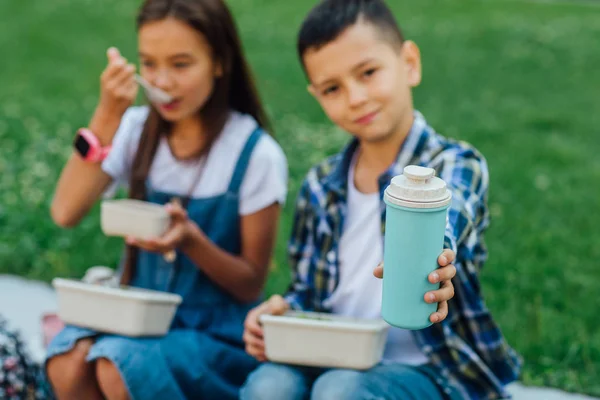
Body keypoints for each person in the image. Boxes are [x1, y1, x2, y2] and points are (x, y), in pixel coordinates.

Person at [240, 0, 521, 399]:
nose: (355, 98)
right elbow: (309, 292)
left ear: (409, 62)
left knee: (340, 391)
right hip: (333, 355)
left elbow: (452, 214)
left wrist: (436, 258)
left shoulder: (456, 164)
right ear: (316, 95)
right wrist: (281, 313)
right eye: (332, 88)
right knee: (269, 386)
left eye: (368, 73)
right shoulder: (321, 185)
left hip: (431, 368)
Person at [45, 0, 287, 398]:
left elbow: (250, 283)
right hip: (133, 316)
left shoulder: (254, 153)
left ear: (220, 62)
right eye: (149, 64)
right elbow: (65, 211)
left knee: (117, 363)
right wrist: (107, 116)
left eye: (180, 65)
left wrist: (191, 241)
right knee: (68, 360)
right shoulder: (136, 129)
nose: (161, 83)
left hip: (213, 334)